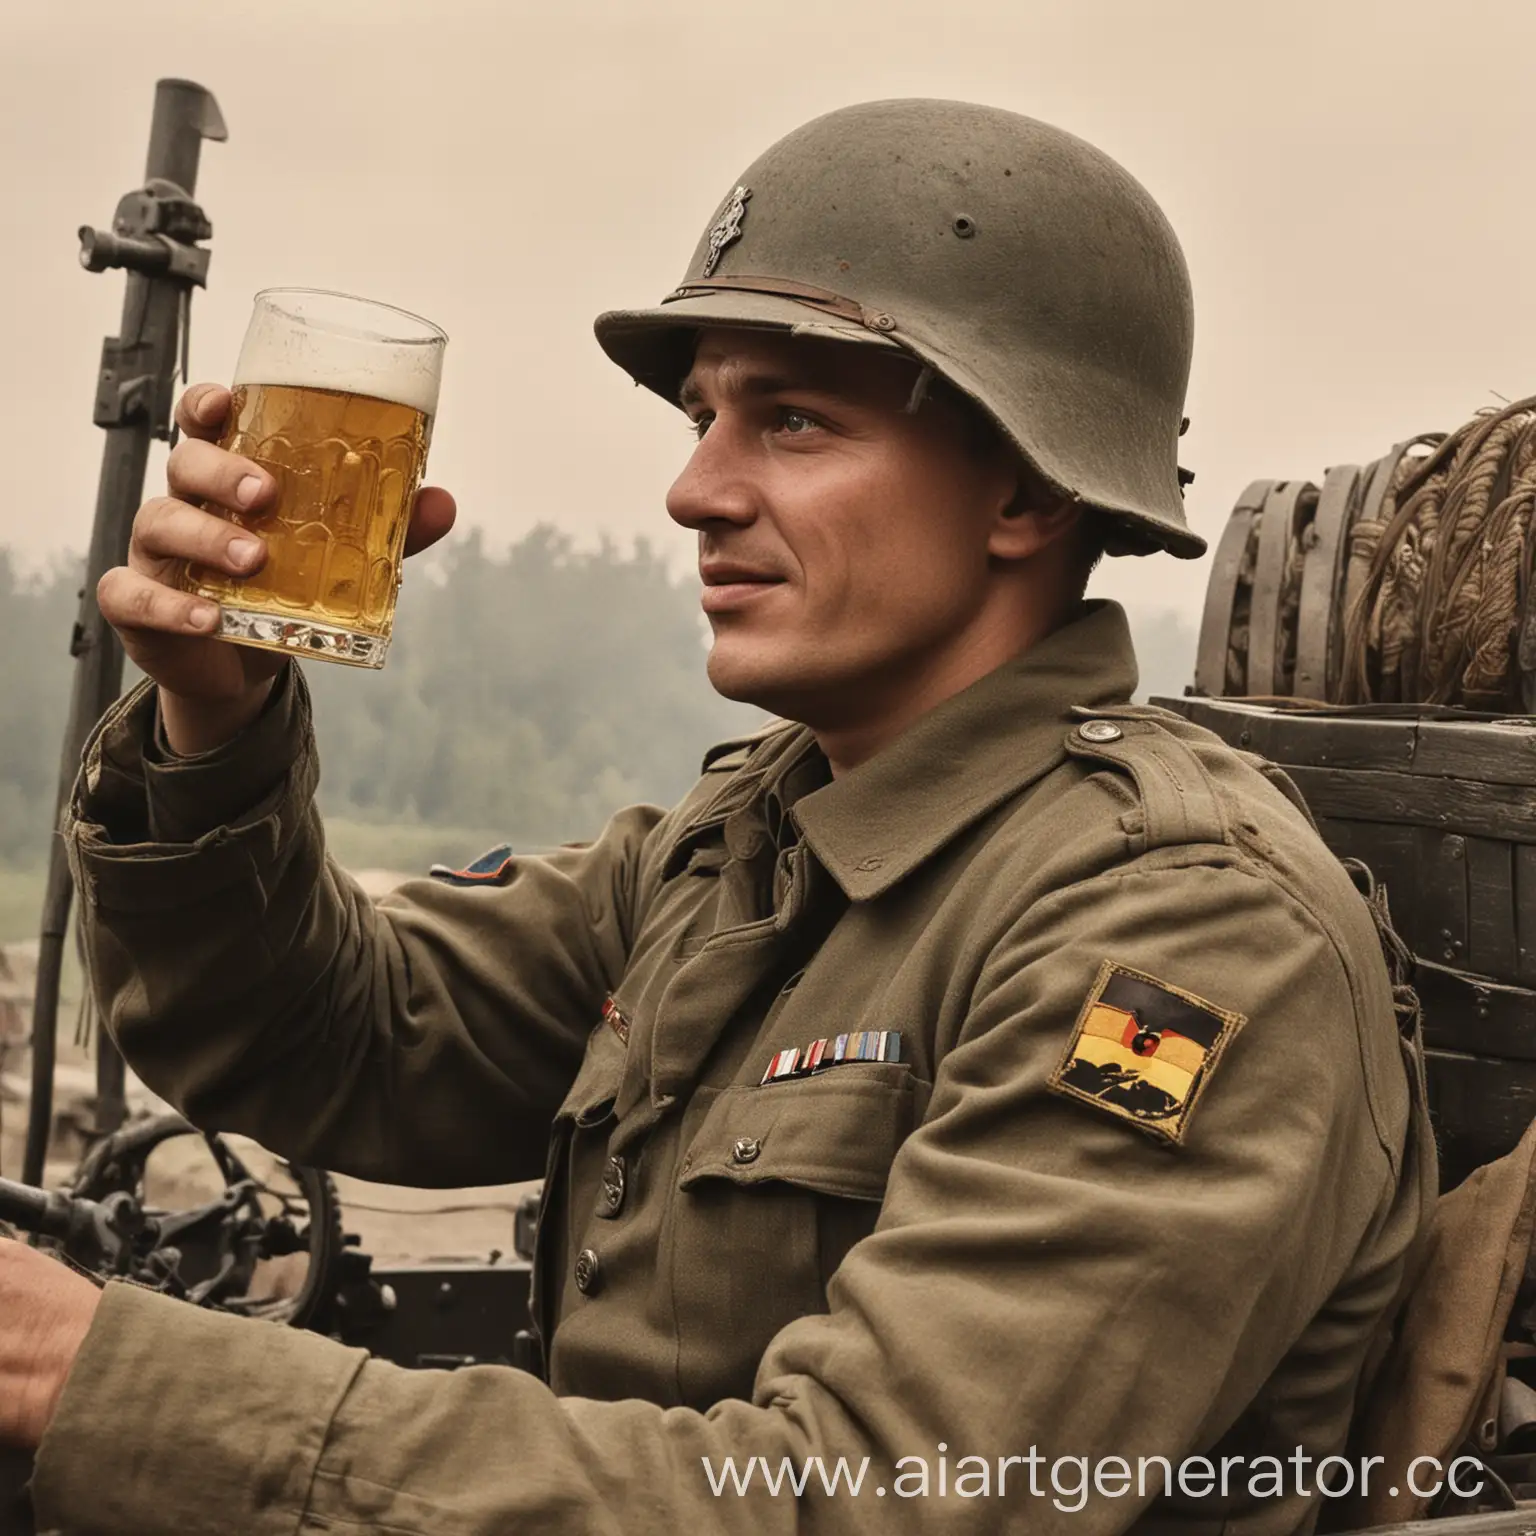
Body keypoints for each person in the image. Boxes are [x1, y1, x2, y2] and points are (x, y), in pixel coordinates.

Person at [0, 98, 1432, 1534]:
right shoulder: (751, 844)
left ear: (1021, 488)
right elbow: (332, 1040)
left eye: (793, 423)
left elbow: (864, 1503)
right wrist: (220, 714)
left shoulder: (1185, 929)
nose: (695, 490)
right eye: (704, 421)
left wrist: (98, 1378)